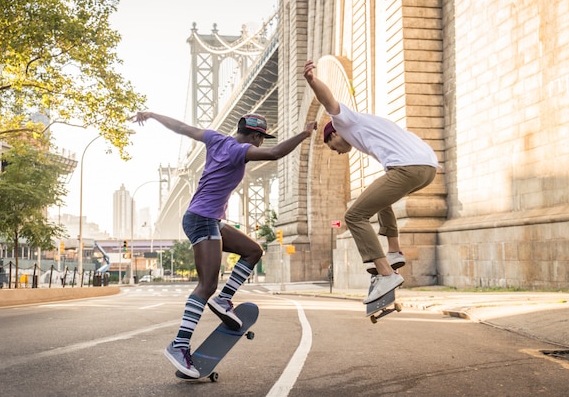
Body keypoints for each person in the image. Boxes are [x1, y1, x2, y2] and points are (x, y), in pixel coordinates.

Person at [134, 111, 316, 378]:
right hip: (203, 219)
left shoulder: (215, 138)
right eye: (261, 138)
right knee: (205, 285)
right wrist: (305, 133)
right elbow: (276, 154)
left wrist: (151, 115)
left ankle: (224, 299)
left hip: (207, 219)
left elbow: (181, 126)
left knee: (254, 251)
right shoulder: (238, 151)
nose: (261, 144)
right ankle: (179, 345)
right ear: (256, 135)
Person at [303, 59, 440, 305]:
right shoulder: (372, 123)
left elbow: (328, 101)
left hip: (407, 168)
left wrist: (313, 81)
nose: (337, 153)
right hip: (428, 169)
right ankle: (394, 252)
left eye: (332, 148)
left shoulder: (343, 122)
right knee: (378, 199)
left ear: (332, 134)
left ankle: (386, 274)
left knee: (354, 216)